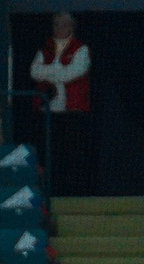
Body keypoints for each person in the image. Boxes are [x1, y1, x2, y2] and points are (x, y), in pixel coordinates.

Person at [29, 12, 93, 197]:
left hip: (72, 113)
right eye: (56, 24)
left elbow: (74, 72)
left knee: (72, 157)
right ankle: (49, 194)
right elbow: (35, 72)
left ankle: (73, 196)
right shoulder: (45, 49)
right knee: (49, 156)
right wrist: (59, 71)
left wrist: (50, 72)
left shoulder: (81, 49)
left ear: (71, 28)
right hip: (48, 112)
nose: (58, 28)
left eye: (63, 25)